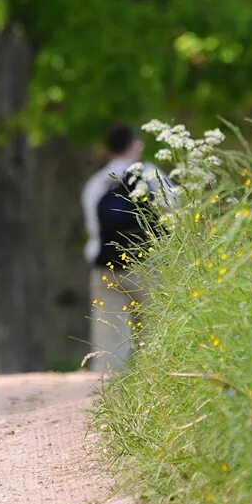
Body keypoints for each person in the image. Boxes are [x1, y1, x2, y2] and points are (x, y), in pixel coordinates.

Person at [81, 123, 169, 373]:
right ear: (135, 146)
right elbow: (173, 208)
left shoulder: (96, 183)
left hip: (106, 268)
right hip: (147, 265)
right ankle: (156, 383)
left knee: (109, 336)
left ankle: (108, 394)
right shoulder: (150, 174)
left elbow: (93, 228)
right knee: (157, 330)